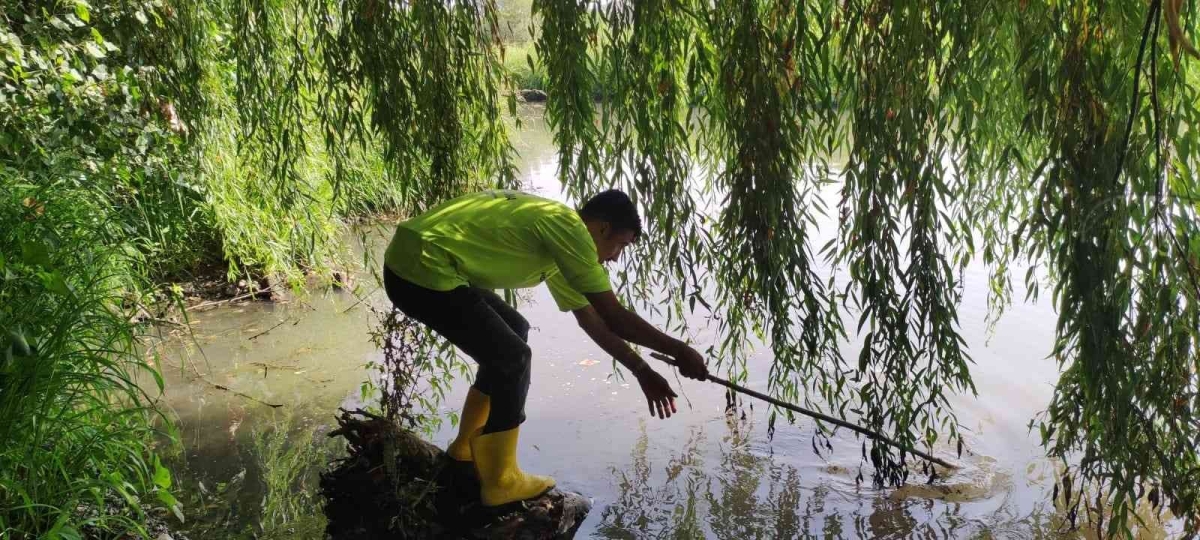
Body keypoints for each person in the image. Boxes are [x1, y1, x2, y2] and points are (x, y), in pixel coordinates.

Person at [381, 188, 708, 507]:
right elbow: (615, 317)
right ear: (602, 228)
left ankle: (465, 451)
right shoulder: (569, 230)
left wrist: (643, 371)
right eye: (619, 245)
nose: (615, 258)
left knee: (515, 330)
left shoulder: (561, 239)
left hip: (415, 257)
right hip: (421, 268)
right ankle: (501, 482)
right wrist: (680, 350)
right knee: (513, 357)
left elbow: (592, 321)